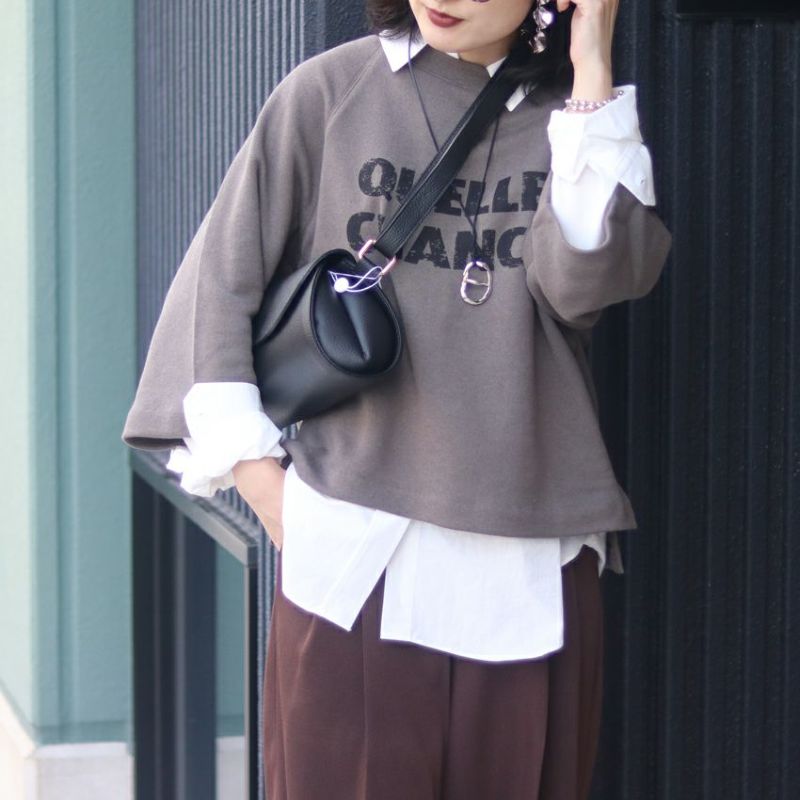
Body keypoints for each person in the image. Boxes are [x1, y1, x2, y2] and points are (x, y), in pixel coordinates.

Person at [121, 0, 672, 797]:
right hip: (353, 561)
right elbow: (222, 281)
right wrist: (261, 481)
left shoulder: (572, 123)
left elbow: (588, 284)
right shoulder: (332, 91)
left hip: (525, 562)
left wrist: (592, 72)